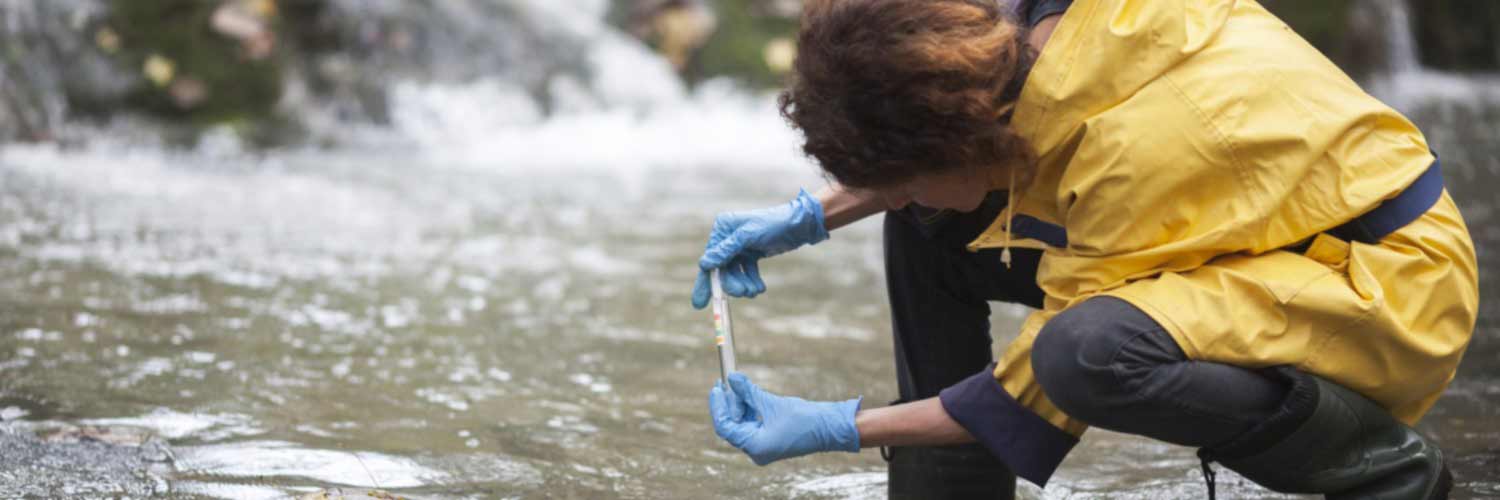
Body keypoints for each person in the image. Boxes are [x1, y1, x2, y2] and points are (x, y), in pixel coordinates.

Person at [691, 0, 1478, 499]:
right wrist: (812, 215)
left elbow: (1030, 392)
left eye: (910, 177)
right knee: (928, 225)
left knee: (1089, 355)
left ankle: (1390, 475)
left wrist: (840, 426)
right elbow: (939, 166)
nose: (904, 193)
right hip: (1262, 225)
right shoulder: (1009, 36)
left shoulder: (1129, 160)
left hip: (1383, 282)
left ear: (962, 141)